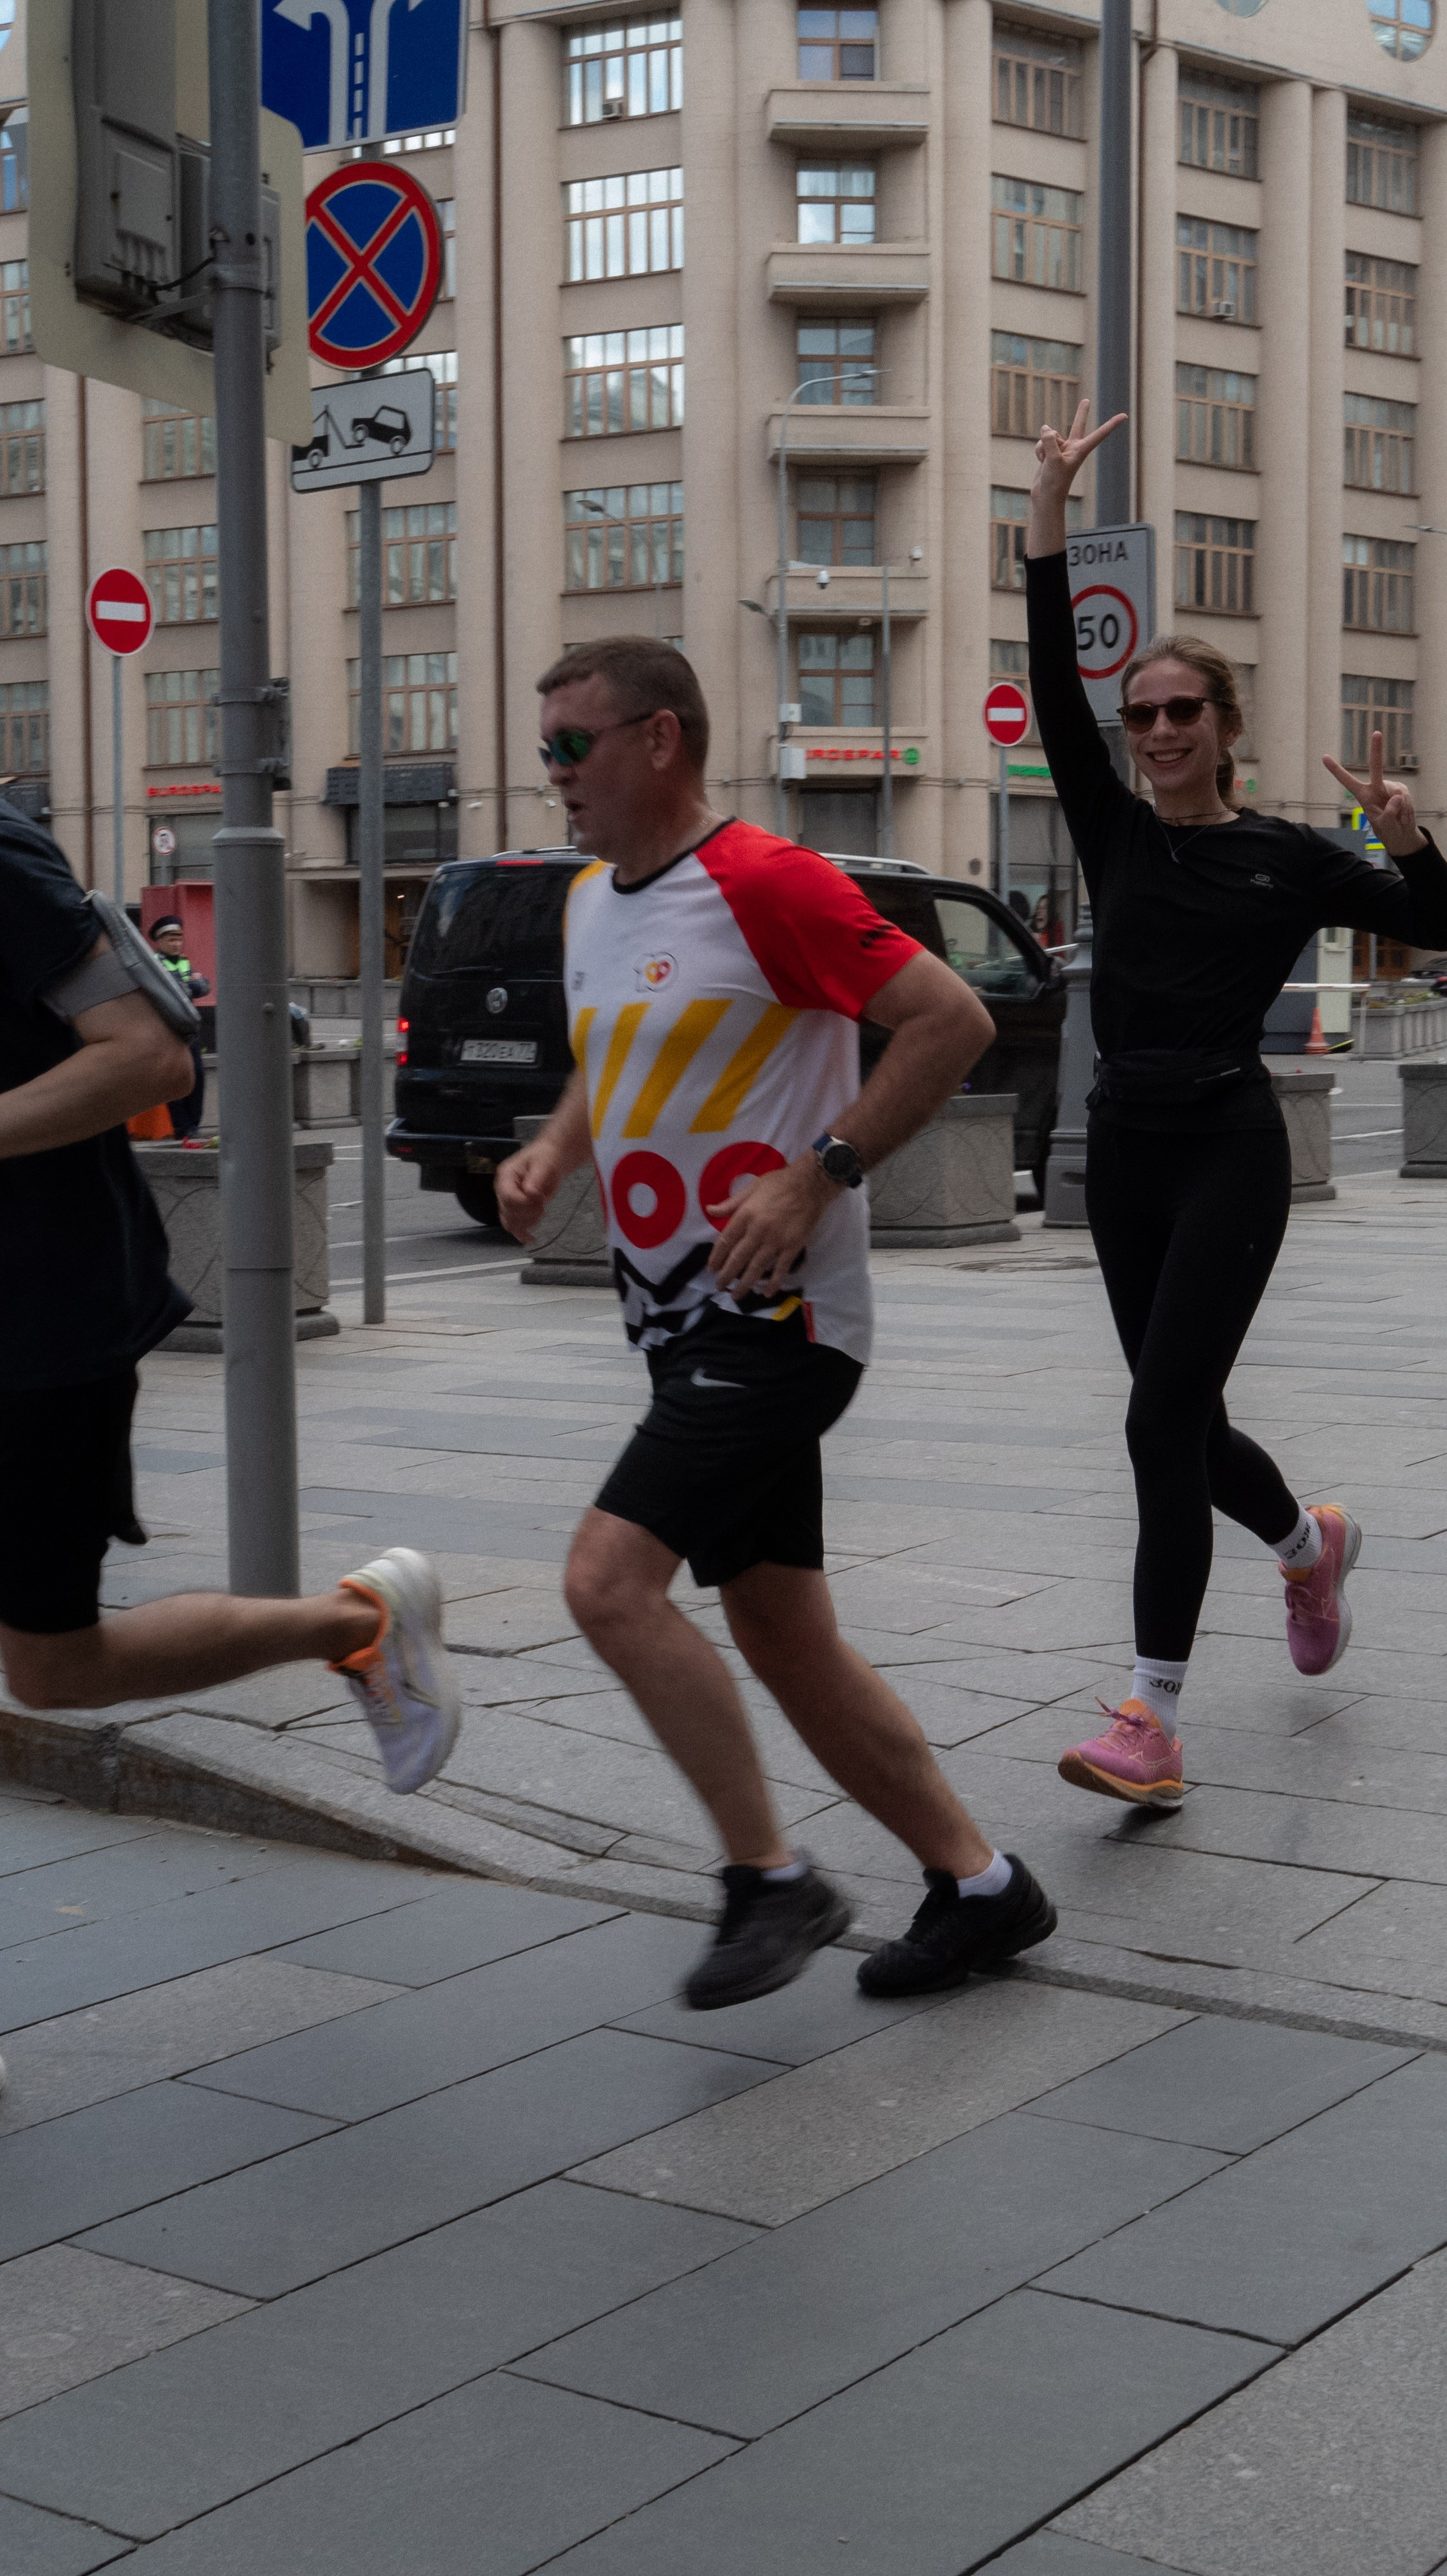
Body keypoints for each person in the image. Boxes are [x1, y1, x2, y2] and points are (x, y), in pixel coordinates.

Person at [496, 636, 1058, 2009]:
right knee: (780, 1629)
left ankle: (770, 1878)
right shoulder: (590, 904)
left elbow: (949, 1018)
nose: (552, 771)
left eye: (573, 744)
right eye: (547, 746)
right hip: (675, 1322)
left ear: (662, 739)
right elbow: (611, 1045)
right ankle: (984, 1887)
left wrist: (821, 1173)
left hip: (779, 1322)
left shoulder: (764, 881)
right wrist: (561, 1146)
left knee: (607, 1582)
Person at [1027, 403, 1447, 1808]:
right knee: (1183, 1419)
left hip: (1228, 1147)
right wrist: (1047, 510)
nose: (1153, 732)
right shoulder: (1114, 830)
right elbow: (1045, 677)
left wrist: (1408, 840)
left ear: (1225, 727)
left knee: (1156, 1423)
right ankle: (1307, 1547)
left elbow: (1438, 928)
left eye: (1179, 713)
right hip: (1122, 1150)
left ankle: (1149, 1718)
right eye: (1140, 714)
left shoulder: (1288, 856)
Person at [0, 800, 459, 1790]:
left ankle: (359, 1623)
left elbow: (149, 1053)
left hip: (36, 1327)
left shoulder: (0, 857)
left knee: (52, 1666)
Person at [148, 914, 210, 1144]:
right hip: (168, 1030)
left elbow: (205, 986)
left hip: (189, 1028)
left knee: (197, 1075)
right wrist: (192, 984)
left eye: (179, 940)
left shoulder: (184, 962)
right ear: (159, 942)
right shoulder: (154, 963)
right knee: (176, 1079)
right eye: (171, 940)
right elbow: (170, 991)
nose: (176, 944)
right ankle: (181, 1127)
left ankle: (193, 1125)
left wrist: (189, 986)